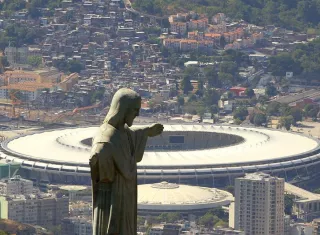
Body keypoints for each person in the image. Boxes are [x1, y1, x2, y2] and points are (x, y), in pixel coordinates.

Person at [89, 88, 164, 235]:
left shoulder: (121, 131)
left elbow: (128, 134)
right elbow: (100, 154)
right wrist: (97, 157)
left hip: (126, 197)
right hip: (113, 199)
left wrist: (146, 131)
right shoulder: (105, 139)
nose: (137, 114)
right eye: (135, 110)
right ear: (123, 109)